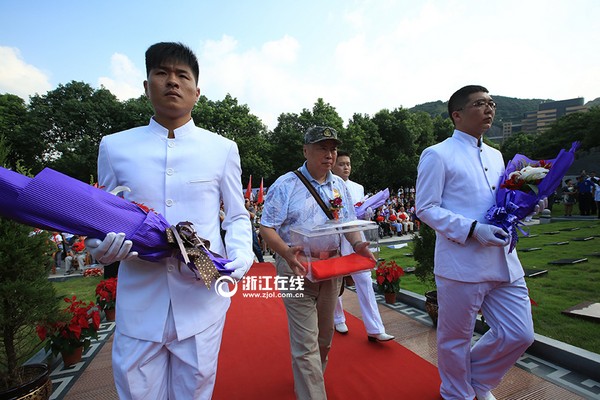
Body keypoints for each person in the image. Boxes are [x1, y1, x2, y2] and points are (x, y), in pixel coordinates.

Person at [84, 42, 254, 399]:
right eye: (162, 73)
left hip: (202, 294)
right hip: (139, 299)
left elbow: (237, 214)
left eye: (182, 75)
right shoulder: (115, 147)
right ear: (147, 87)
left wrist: (241, 255)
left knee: (195, 392)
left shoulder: (222, 148)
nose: (172, 81)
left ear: (197, 91)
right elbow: (101, 218)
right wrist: (100, 248)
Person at [416, 85, 540, 400]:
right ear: (457, 115)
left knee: (519, 333)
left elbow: (501, 200)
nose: (489, 108)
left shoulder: (497, 155)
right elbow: (426, 208)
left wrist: (526, 204)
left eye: (492, 103)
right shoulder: (437, 154)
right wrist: (472, 229)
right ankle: (456, 392)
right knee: (456, 338)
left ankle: (478, 381)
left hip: (503, 260)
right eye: (480, 103)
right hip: (462, 262)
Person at [260, 126, 374, 399]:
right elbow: (266, 227)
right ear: (306, 150)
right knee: (306, 342)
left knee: (324, 338)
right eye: (322, 148)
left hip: (331, 268)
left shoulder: (339, 186)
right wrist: (286, 252)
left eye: (333, 149)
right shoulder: (286, 185)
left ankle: (310, 380)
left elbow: (348, 223)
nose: (329, 154)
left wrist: (359, 245)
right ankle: (312, 392)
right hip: (295, 268)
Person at [331, 150, 394, 342]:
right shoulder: (326, 186)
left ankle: (375, 328)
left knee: (365, 279)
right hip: (335, 238)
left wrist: (366, 214)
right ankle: (338, 317)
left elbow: (360, 210)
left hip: (356, 239)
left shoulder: (358, 187)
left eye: (348, 164)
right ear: (333, 165)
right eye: (342, 164)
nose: (346, 167)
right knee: (335, 281)